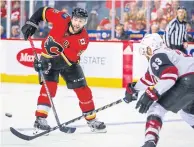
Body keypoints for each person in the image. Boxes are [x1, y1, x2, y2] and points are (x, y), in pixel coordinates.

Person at [21, 7, 106, 133]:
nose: (77, 23)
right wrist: (32, 22)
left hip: (68, 63)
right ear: (71, 18)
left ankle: (91, 120)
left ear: (85, 22)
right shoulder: (61, 18)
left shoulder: (83, 39)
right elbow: (43, 11)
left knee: (83, 90)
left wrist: (48, 65)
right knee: (49, 89)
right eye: (76, 19)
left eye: (81, 21)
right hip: (47, 56)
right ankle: (40, 120)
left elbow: (67, 60)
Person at [124, 33, 194, 147]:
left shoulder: (157, 55)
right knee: (188, 114)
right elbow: (149, 78)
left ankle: (150, 142)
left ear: (151, 47)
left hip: (187, 82)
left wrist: (152, 93)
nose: (146, 55)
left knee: (156, 109)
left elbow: (170, 75)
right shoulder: (170, 53)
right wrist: (133, 89)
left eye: (146, 51)